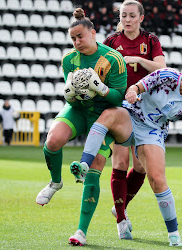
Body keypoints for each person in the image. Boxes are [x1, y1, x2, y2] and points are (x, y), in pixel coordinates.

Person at [70, 35, 182, 246]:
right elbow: (137, 87)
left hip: (152, 133)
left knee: (157, 179)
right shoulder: (167, 75)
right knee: (108, 115)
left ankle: (174, 234)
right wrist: (133, 92)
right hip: (131, 117)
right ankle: (85, 164)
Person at [36, 5, 127, 229]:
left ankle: (81, 231)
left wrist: (101, 89)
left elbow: (118, 99)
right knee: (52, 141)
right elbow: (71, 100)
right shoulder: (69, 60)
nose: (77, 42)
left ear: (93, 33)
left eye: (80, 36)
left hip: (104, 115)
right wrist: (71, 95)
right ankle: (55, 182)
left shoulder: (113, 59)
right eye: (73, 38)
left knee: (95, 168)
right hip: (79, 110)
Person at [102, 0, 166, 239]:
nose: (127, 19)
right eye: (123, 15)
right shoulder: (110, 42)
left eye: (131, 15)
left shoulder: (150, 41)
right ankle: (121, 220)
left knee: (140, 166)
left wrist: (138, 61)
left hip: (145, 109)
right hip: (119, 106)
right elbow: (100, 67)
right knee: (120, 161)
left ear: (141, 17)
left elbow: (161, 69)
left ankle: (120, 207)